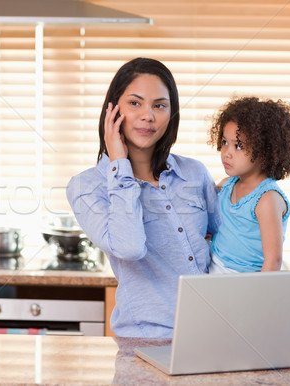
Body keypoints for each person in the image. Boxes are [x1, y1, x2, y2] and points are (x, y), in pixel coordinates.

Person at [66, 57, 221, 338]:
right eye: (135, 103)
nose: (148, 116)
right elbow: (130, 248)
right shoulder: (86, 186)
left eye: (160, 105)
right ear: (112, 111)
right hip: (145, 340)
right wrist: (119, 166)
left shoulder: (194, 172)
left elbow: (223, 240)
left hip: (210, 334)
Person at [207, 96, 290, 273]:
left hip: (246, 280)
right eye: (224, 142)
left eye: (238, 146)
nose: (226, 153)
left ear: (264, 151)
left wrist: (260, 297)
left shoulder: (267, 199)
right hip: (214, 271)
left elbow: (273, 260)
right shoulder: (226, 185)